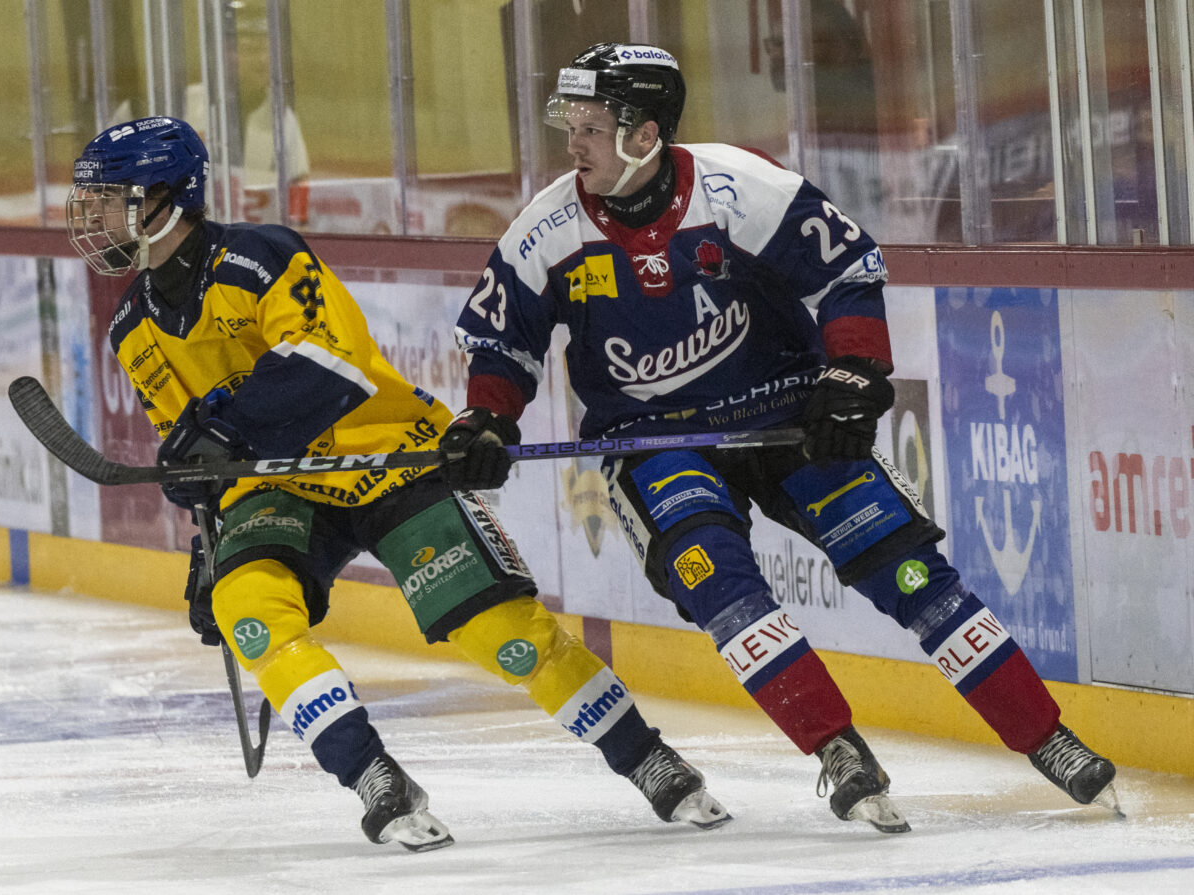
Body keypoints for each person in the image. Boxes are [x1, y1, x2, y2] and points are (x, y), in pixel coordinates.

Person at [446, 42, 1120, 834]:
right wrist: (487, 419)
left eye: (591, 127)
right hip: (655, 440)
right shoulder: (548, 231)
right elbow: (502, 344)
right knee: (724, 588)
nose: (574, 145)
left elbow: (846, 271)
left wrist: (856, 374)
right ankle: (837, 748)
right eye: (573, 126)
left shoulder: (740, 187)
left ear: (644, 133)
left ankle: (1051, 738)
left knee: (907, 570)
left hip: (785, 413)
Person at [65, 115, 732, 852]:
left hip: (382, 454)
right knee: (248, 609)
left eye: (107, 198)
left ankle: (647, 757)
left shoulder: (259, 257)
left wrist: (225, 420)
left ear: (164, 197)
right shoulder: (131, 325)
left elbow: (332, 366)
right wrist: (204, 523)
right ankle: (373, 774)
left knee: (504, 636)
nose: (90, 216)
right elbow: (200, 456)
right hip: (277, 487)